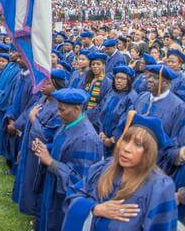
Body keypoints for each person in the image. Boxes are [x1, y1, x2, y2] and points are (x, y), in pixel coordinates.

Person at [63, 114, 177, 230]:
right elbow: (73, 195)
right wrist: (94, 209)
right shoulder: (105, 167)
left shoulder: (159, 188)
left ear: (149, 152)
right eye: (125, 140)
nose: (126, 149)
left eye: (137, 144)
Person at [32, 87, 103, 231]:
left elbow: (81, 180)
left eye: (62, 110)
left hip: (64, 199)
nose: (58, 114)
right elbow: (62, 147)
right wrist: (45, 148)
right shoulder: (69, 124)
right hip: (52, 188)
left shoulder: (87, 138)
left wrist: (50, 162)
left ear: (77, 108)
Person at [13, 70, 66, 217]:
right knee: (25, 178)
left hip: (41, 152)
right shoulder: (42, 99)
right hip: (29, 146)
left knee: (35, 183)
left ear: (57, 86)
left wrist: (32, 119)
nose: (43, 85)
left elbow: (46, 135)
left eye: (48, 83)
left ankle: (35, 213)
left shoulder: (58, 109)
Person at [126, 64, 185, 140]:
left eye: (156, 77)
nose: (150, 80)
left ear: (167, 83)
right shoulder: (142, 97)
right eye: (149, 76)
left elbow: (175, 140)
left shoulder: (178, 107)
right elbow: (127, 121)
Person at [99, 65, 138, 157]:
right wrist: (101, 132)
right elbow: (102, 112)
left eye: (122, 78)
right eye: (116, 78)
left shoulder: (132, 97)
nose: (118, 80)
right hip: (103, 138)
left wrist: (113, 139)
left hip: (118, 142)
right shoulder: (111, 92)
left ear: (129, 80)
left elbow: (127, 122)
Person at [83, 52, 112, 131]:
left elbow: (103, 104)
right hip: (83, 115)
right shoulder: (89, 79)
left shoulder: (108, 82)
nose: (95, 66)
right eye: (93, 64)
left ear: (103, 66)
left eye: (98, 64)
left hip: (96, 119)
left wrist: (89, 114)